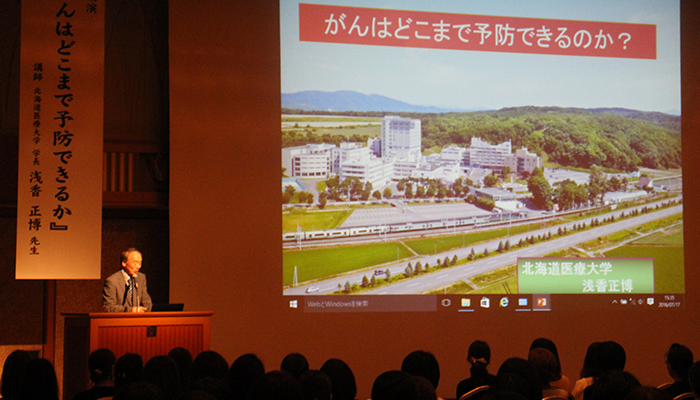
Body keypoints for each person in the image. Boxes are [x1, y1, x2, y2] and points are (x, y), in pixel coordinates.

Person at [103, 248, 153, 312]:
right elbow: (109, 308)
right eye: (135, 263)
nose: (138, 267)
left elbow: (146, 302)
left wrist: (145, 309)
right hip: (120, 320)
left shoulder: (141, 278)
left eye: (140, 263)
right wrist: (131, 310)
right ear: (124, 263)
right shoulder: (112, 281)